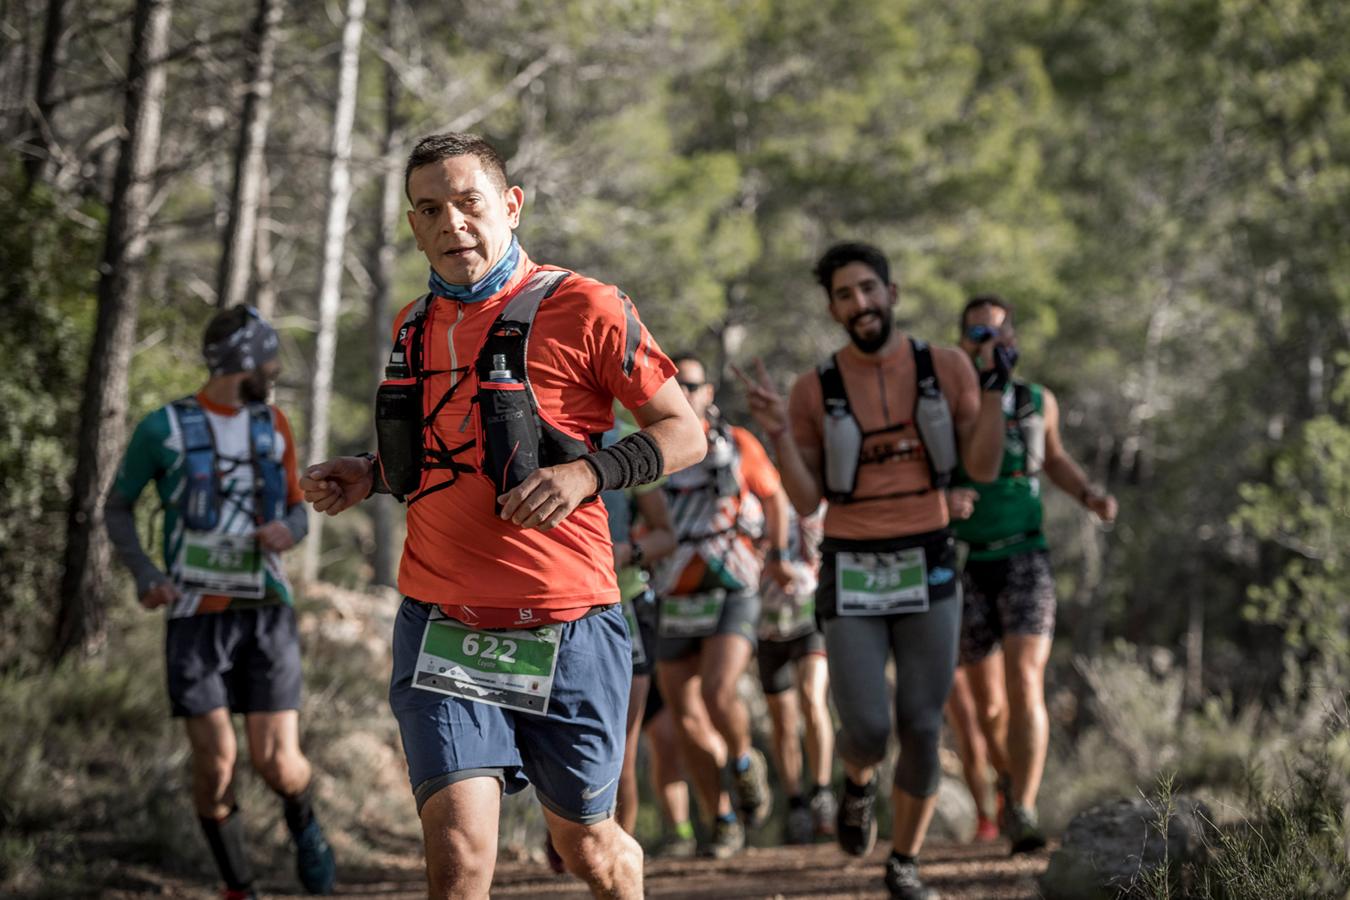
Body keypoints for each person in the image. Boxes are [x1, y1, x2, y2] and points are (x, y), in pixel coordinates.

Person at [299, 132, 703, 900]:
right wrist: (367, 474)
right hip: (444, 621)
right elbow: (447, 452)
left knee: (588, 849)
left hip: (568, 625)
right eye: (429, 209)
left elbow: (686, 434)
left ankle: (624, 866)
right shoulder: (412, 328)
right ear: (414, 227)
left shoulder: (588, 306)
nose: (451, 223)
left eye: (467, 202)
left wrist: (589, 473)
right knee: (458, 861)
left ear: (510, 206)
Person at [738, 241, 1007, 900]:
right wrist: (776, 432)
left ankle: (904, 862)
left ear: (892, 293)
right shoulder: (814, 388)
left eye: (867, 289)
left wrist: (995, 388)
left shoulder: (945, 369)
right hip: (852, 566)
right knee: (866, 728)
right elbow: (805, 501)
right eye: (844, 295)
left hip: (929, 562)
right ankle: (857, 785)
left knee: (920, 724)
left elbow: (986, 465)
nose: (859, 304)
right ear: (833, 309)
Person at [105, 305, 335, 899]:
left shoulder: (273, 424)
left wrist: (289, 529)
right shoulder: (163, 428)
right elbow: (118, 505)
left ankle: (305, 822)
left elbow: (296, 511)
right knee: (217, 764)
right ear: (243, 362)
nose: (275, 369)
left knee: (277, 763)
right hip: (193, 617)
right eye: (269, 359)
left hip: (266, 611)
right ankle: (240, 886)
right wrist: (144, 573)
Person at [950, 295, 1119, 854]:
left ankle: (1022, 805)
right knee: (989, 706)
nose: (989, 345)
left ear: (1014, 340)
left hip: (1027, 554)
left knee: (1026, 681)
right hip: (971, 563)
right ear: (963, 345)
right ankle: (1006, 780)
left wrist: (1089, 494)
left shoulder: (1038, 400)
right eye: (977, 335)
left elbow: (1056, 458)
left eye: (998, 334)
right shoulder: (955, 402)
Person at [653, 355, 793, 858]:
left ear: (708, 391)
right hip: (674, 591)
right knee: (685, 717)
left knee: (717, 691)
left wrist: (776, 554)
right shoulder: (648, 449)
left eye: (690, 385)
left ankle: (741, 757)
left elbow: (775, 499)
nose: (683, 393)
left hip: (733, 582)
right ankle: (722, 818)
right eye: (672, 385)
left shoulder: (739, 445)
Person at [755, 504, 837, 845]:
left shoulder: (818, 495)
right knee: (783, 720)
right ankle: (796, 801)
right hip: (768, 623)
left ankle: (822, 792)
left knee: (811, 698)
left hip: (810, 617)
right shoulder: (758, 501)